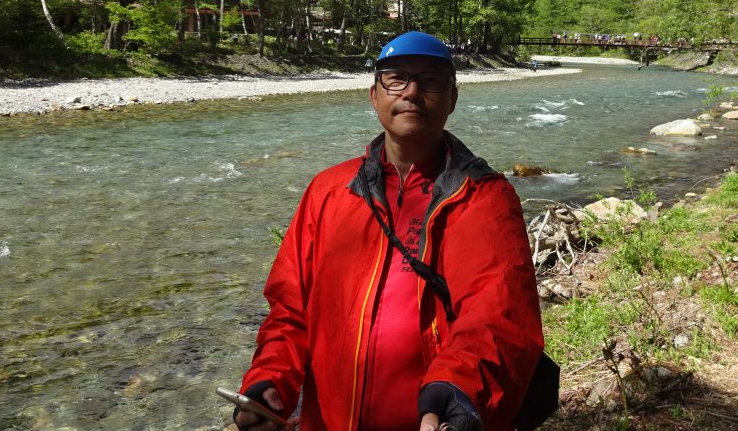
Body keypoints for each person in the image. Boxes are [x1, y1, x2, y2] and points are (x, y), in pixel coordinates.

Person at [231, 31, 544, 431]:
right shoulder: (328, 191)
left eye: (430, 80)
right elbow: (290, 310)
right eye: (395, 77)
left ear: (452, 98)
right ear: (374, 94)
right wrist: (270, 381)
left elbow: (498, 317)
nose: (411, 91)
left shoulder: (485, 199)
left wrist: (459, 386)